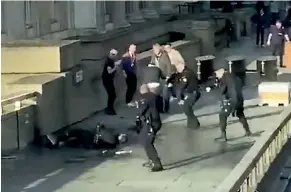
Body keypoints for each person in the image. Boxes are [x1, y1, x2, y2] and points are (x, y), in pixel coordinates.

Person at [214, 68, 252, 142]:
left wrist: (219, 84)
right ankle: (248, 131)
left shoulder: (224, 78)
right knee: (240, 114)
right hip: (240, 99)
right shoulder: (236, 77)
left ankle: (223, 135)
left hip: (233, 100)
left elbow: (222, 90)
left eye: (217, 75)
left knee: (222, 115)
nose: (217, 76)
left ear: (220, 73)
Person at [136, 84, 163, 172]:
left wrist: (138, 115)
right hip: (156, 121)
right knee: (145, 141)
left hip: (151, 123)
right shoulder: (155, 96)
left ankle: (157, 164)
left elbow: (142, 110)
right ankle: (151, 160)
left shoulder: (145, 97)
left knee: (148, 143)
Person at [171, 63, 200, 129]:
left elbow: (181, 86)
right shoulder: (184, 73)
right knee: (187, 108)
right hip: (189, 93)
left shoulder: (186, 74)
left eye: (178, 68)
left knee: (187, 108)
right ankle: (191, 124)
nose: (177, 70)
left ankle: (195, 124)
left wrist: (179, 99)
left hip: (192, 93)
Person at [150, 43, 173, 112]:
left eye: (156, 49)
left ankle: (166, 108)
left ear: (159, 49)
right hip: (157, 77)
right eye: (154, 49)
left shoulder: (165, 56)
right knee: (157, 94)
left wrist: (168, 77)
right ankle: (159, 109)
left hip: (164, 77)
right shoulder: (153, 55)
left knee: (165, 94)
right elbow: (152, 63)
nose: (155, 51)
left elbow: (169, 66)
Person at [102, 49, 119, 115]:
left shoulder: (111, 60)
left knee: (112, 95)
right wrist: (115, 68)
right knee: (112, 95)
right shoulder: (108, 61)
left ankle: (110, 108)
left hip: (109, 80)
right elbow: (109, 71)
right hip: (107, 80)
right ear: (112, 55)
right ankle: (109, 108)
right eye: (115, 55)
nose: (116, 57)